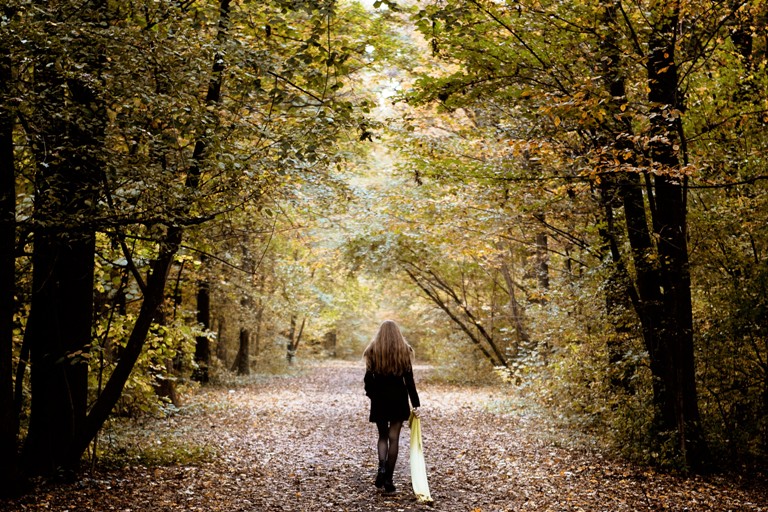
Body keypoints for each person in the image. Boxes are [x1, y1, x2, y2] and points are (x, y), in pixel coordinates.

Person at [363, 320, 420, 493]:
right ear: (397, 333)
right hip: (398, 399)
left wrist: (372, 395)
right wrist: (416, 404)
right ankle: (388, 479)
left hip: (380, 399)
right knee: (394, 438)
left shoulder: (373, 350)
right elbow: (409, 381)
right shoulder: (404, 350)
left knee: (382, 436)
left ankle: (381, 467)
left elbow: (368, 380)